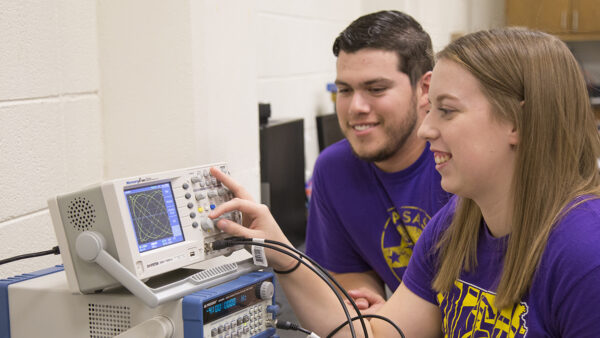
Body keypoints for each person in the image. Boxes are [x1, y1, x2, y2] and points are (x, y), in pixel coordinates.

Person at [210, 27, 600, 336]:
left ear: (518, 122)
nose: (427, 129)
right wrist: (280, 250)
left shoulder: (585, 254)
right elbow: (371, 334)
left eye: (446, 111)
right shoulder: (455, 225)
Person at [305, 10, 452, 313]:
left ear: (425, 89)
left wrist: (393, 317)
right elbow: (348, 272)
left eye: (376, 89)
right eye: (344, 90)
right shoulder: (334, 170)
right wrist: (368, 304)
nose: (355, 107)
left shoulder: (461, 162)